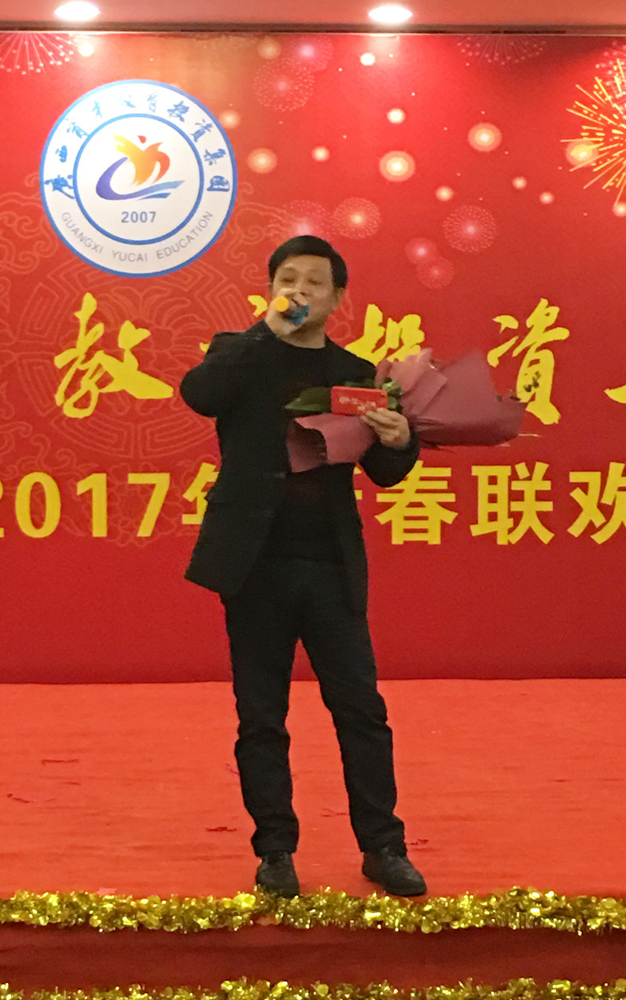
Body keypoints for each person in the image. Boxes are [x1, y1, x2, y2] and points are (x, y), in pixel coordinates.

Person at [180, 235, 426, 898]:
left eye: (315, 282)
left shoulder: (354, 372)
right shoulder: (239, 352)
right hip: (255, 564)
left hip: (329, 566)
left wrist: (402, 439)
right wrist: (267, 330)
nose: (300, 291)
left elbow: (386, 470)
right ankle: (275, 852)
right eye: (288, 279)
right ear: (270, 290)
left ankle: (383, 846)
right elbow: (200, 394)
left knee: (362, 710)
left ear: (338, 297)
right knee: (262, 716)